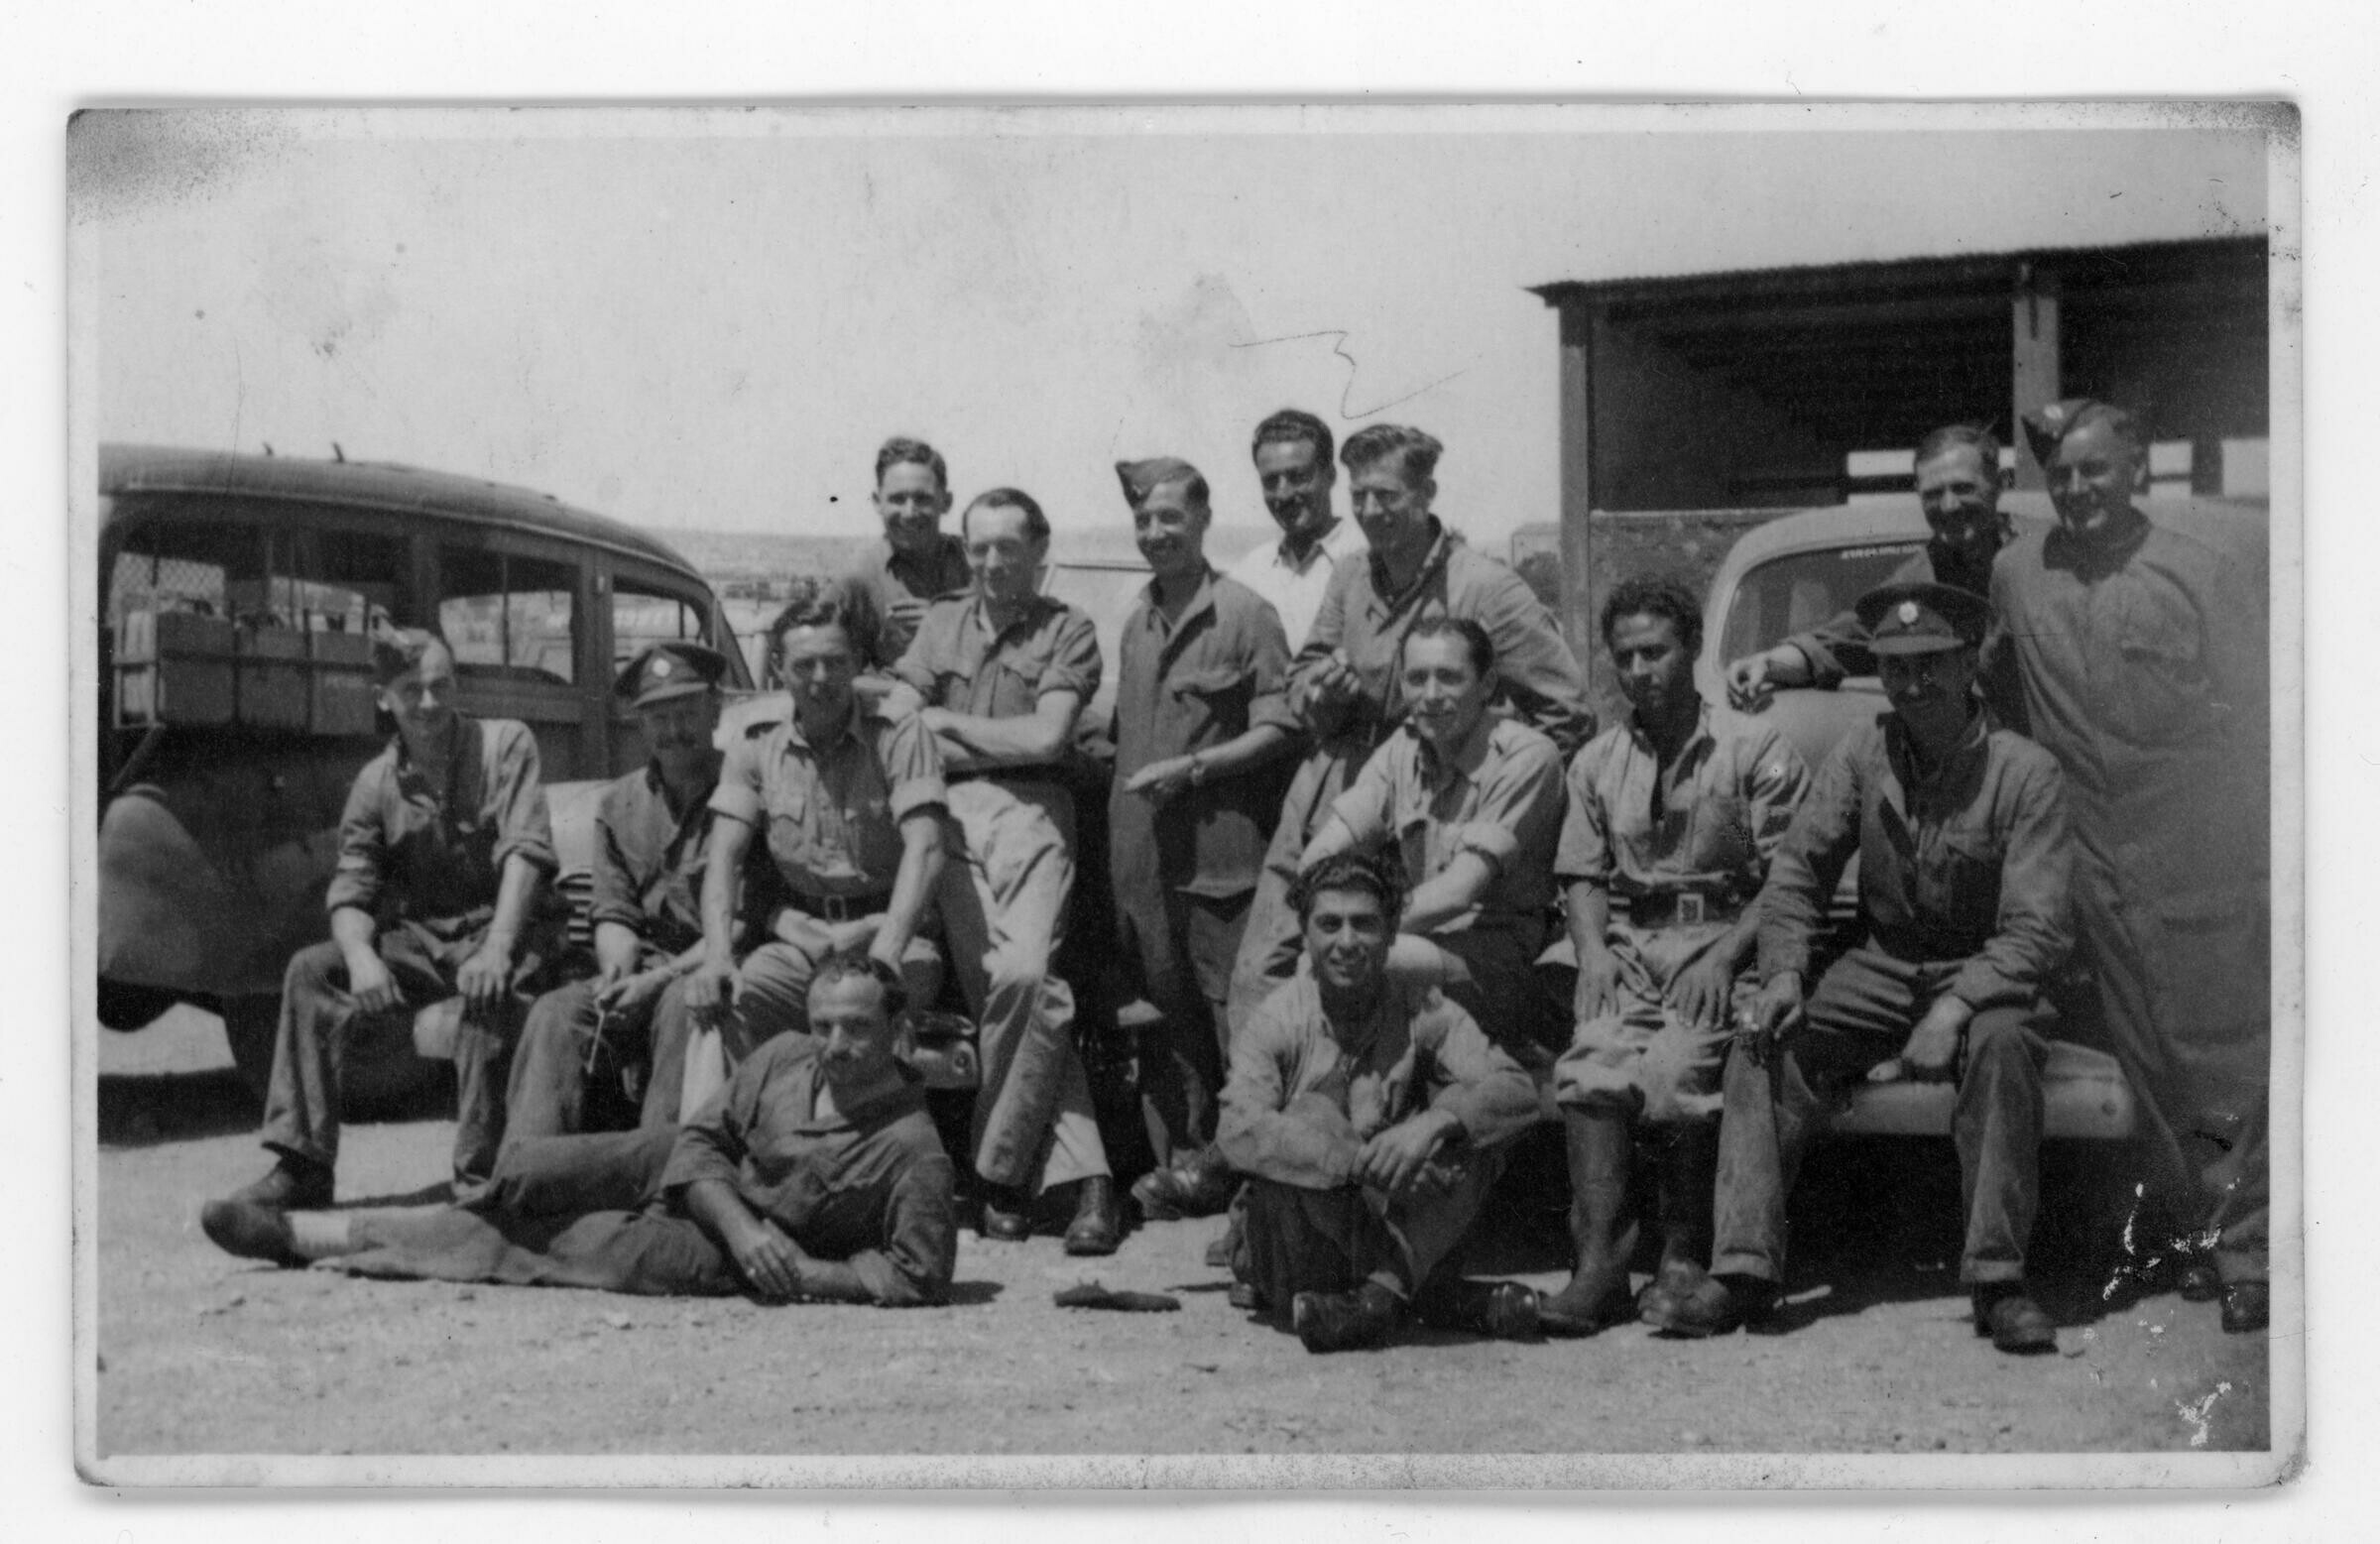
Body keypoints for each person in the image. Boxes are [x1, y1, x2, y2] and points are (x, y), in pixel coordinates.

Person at [1658, 582, 2074, 1355]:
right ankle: (1744, 1265)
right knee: (1762, 1038)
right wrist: (1782, 973)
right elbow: (1798, 870)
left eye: (1931, 666)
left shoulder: (2026, 772)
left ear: (1968, 664)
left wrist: (1953, 1009)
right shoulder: (1865, 749)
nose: (1913, 686)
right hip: (1884, 963)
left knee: (2004, 1047)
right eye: (1894, 668)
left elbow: (2036, 931)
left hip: (1985, 973)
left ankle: (1997, 1278)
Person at [198, 954, 959, 1309]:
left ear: (898, 1030)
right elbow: (699, 1141)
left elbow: (917, 1275)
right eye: (823, 1023)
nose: (833, 1043)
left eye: (856, 1028)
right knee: (527, 1172)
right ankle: (340, 1229)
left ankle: (302, 1236)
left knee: (551, 1243)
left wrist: (790, 1262)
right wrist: (728, 1205)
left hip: (724, 1247)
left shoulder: (913, 1150)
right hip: (699, 1182)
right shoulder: (786, 1056)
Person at [1989, 399, 2272, 1335]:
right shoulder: (2017, 574)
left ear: (2136, 468)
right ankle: (2193, 1236)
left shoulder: (2201, 571)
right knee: (2141, 1058)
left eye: (2095, 470)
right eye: (2061, 475)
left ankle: (2250, 1250)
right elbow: (1990, 685)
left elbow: (2262, 722)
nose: (2076, 491)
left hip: (2195, 844)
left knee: (2219, 1048)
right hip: (2088, 852)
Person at [1226, 423, 1594, 1040]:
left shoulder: (1485, 587)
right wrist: (1318, 688)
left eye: (1388, 496)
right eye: (1360, 495)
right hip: (1342, 784)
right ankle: (1262, 1115)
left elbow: (1568, 711)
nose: (1370, 511)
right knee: (1268, 959)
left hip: (1438, 807)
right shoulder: (1350, 576)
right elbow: (1308, 665)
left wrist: (1487, 781)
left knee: (1373, 969)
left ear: (1426, 493)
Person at [1539, 576, 1812, 1337]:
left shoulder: (1752, 747)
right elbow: (1583, 873)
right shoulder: (1596, 761)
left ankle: (1683, 1253)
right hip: (1630, 945)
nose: (1638, 670)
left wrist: (1725, 958)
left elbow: (1789, 877)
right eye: (1623, 656)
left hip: (1722, 942)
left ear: (1692, 648)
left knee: (1673, 1075)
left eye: (1654, 652)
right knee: (1591, 1064)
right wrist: (1591, 950)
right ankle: (1598, 1264)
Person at [217, 630, 559, 1209]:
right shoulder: (375, 783)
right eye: (411, 691)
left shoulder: (506, 746)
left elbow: (526, 851)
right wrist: (360, 956)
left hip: (511, 930)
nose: (429, 704)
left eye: (440, 686)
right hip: (425, 943)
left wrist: (497, 947)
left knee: (487, 996)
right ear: (384, 700)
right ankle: (302, 1167)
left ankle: (482, 1187)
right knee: (310, 972)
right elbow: (351, 888)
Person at [883, 486, 1125, 1254]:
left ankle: (995, 1170)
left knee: (1024, 976)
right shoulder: (945, 621)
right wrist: (982, 736)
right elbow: (896, 714)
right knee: (1009, 997)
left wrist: (946, 724)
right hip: (949, 818)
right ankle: (1085, 1181)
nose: (990, 562)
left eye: (1007, 548)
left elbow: (1049, 738)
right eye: (978, 546)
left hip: (1030, 812)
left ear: (1039, 553)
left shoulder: (1068, 628)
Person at [1219, 850, 1545, 1354]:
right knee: (1314, 1114)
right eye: (1329, 924)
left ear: (1392, 933)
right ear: (1305, 934)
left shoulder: (1424, 1007)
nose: (1346, 943)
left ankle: (1379, 1301)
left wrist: (1435, 1123)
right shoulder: (1279, 1019)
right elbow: (1238, 1128)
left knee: (1468, 1111)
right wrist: (1358, 1162)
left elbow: (1518, 1091)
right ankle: (1428, 1295)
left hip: (1385, 1223)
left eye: (1364, 925)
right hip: (1296, 1242)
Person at [1108, 457, 1300, 1221]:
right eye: (1145, 521)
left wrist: (1195, 768)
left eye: (1171, 520)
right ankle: (1192, 1167)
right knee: (1171, 1018)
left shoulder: (1246, 614)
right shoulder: (1136, 621)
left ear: (1203, 521)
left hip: (1225, 859)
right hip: (1145, 864)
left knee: (1239, 1022)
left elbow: (1282, 727)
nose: (1156, 534)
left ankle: (1261, 1189)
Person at [681, 584, 947, 1095]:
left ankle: (864, 1153)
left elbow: (926, 847)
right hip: (801, 941)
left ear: (858, 664)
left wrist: (886, 955)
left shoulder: (899, 732)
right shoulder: (757, 740)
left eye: (835, 663)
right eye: (805, 666)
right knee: (735, 994)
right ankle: (727, 1150)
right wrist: (717, 954)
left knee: (860, 1013)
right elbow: (723, 858)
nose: (821, 680)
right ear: (778, 668)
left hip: (891, 934)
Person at [502, 642, 753, 1143]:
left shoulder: (745, 789)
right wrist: (618, 970)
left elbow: (743, 921)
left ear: (715, 710)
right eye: (658, 718)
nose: (673, 731)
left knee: (689, 1006)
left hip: (715, 966)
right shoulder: (619, 803)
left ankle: (666, 1180)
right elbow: (614, 911)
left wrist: (655, 980)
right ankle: (530, 1177)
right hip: (644, 970)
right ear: (640, 724)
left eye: (686, 714)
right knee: (557, 1012)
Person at [1294, 617, 1568, 1066]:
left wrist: (1350, 926)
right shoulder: (1402, 750)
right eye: (1417, 678)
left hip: (1503, 953)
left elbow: (1458, 893)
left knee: (1358, 959)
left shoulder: (1525, 755)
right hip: (1422, 935)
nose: (1432, 694)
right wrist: (1323, 911)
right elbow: (1324, 851)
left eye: (1450, 677)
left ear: (1486, 685)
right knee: (1329, 954)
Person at [1725, 422, 2026, 727]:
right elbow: (1842, 641)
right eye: (1933, 494)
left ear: (2001, 482)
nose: (1949, 505)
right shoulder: (1917, 582)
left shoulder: (2040, 557)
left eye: (1963, 488)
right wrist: (1768, 663)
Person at [834, 436, 975, 691]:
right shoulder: (858, 577)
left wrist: (946, 628)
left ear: (946, 501)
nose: (910, 513)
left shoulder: (976, 564)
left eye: (922, 499)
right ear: (878, 502)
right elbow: (826, 673)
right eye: (897, 499)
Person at [1223, 408, 1368, 652]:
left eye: (1298, 476)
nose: (1284, 493)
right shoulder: (1249, 574)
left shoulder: (1369, 559)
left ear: (1330, 476)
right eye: (1271, 481)